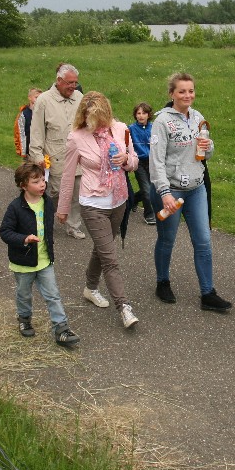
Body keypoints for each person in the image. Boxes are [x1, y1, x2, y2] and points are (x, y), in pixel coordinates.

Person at [150, 72, 232, 312]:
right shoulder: (162, 122)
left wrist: (209, 146)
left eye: (191, 91)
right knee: (167, 239)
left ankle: (208, 293)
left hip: (196, 188)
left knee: (203, 241)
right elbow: (156, 162)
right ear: (172, 94)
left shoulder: (198, 117)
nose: (187, 95)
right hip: (171, 191)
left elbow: (206, 154)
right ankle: (162, 282)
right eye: (182, 91)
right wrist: (164, 192)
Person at [57, 91, 140, 329]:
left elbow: (134, 162)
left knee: (102, 249)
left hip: (119, 201)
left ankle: (90, 288)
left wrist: (126, 159)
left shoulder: (121, 129)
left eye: (98, 117)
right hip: (92, 203)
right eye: (89, 117)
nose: (94, 122)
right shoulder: (76, 137)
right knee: (110, 258)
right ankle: (124, 307)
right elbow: (67, 175)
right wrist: (63, 208)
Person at [0, 161, 80, 347]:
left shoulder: (47, 202)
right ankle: (24, 319)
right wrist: (24, 239)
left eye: (43, 180)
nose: (42, 184)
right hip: (23, 262)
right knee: (24, 294)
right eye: (36, 182)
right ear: (23, 185)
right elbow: (5, 232)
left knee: (53, 295)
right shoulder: (15, 207)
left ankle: (61, 329)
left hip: (44, 260)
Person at [29, 64, 86, 239]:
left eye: (75, 82)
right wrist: (37, 155)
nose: (73, 86)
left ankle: (73, 226)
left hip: (78, 155)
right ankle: (43, 218)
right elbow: (37, 131)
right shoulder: (44, 100)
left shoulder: (79, 97)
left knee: (77, 192)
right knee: (55, 192)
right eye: (70, 82)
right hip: (55, 157)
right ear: (59, 80)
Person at [129, 101, 156, 225]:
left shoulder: (154, 127)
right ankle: (149, 214)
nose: (141, 116)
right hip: (139, 162)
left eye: (144, 113)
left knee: (152, 187)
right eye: (138, 113)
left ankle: (134, 199)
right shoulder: (131, 129)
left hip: (152, 161)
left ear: (148, 115)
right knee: (146, 188)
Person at [14, 87, 42, 158]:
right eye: (36, 97)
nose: (39, 100)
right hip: (28, 148)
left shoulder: (43, 112)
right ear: (29, 97)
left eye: (41, 98)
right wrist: (23, 151)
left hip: (41, 148)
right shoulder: (24, 114)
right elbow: (20, 133)